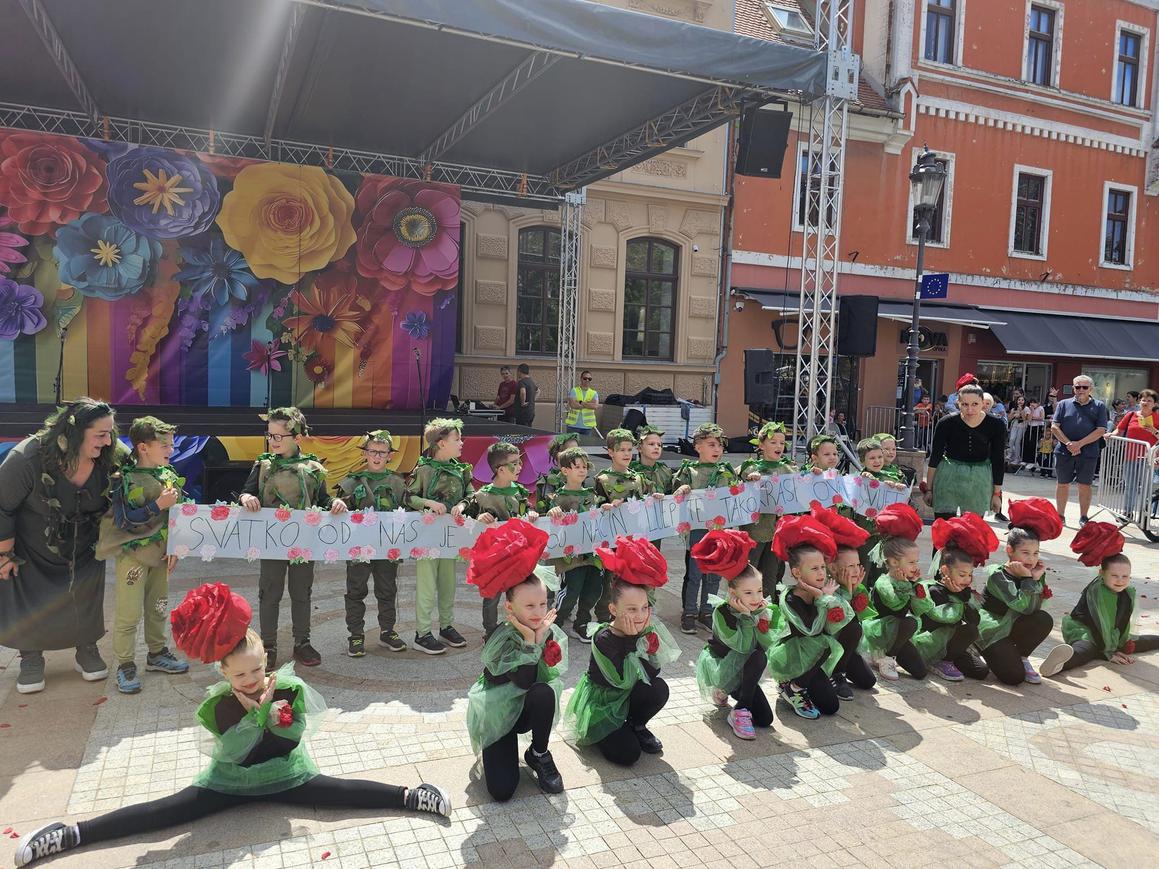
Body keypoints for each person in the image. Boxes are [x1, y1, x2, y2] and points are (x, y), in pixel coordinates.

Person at [13, 582, 450, 867]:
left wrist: (270, 708)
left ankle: (412, 796)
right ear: (223, 674)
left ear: (265, 662)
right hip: (229, 783)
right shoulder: (219, 704)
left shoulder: (287, 688)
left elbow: (281, 748)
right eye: (240, 675)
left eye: (257, 671)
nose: (251, 680)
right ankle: (71, 834)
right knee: (166, 812)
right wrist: (255, 709)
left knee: (339, 790)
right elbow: (241, 753)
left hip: (284, 776)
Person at [1, 399, 121, 695]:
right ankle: (30, 656)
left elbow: (142, 479)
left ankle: (86, 649)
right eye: (100, 435)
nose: (108, 442)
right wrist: (4, 555)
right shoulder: (27, 458)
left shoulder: (112, 456)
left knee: (85, 593)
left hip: (86, 545)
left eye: (110, 434)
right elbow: (2, 507)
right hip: (32, 545)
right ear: (77, 432)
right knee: (30, 593)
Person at [464, 519, 567, 801]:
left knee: (545, 692)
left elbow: (536, 684)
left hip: (525, 709)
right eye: (529, 606)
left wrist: (539, 638)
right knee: (501, 792)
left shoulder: (546, 629)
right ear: (510, 607)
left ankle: (539, 753)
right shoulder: (501, 637)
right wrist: (531, 640)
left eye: (543, 604)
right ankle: (500, 749)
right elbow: (521, 679)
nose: (538, 612)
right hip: (498, 715)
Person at [239, 408, 347, 670]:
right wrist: (246, 498)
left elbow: (322, 499)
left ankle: (303, 642)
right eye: (270, 435)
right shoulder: (263, 465)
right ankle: (268, 645)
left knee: (302, 592)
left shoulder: (312, 468)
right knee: (270, 592)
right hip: (272, 542)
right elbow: (245, 492)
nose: (273, 441)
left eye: (280, 436)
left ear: (297, 438)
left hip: (304, 543)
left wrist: (336, 502)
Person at [95, 416, 189, 694]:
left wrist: (176, 548)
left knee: (159, 606)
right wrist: (158, 504)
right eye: (164, 445)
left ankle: (157, 653)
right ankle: (125, 664)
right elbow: (124, 521)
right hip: (133, 558)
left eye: (171, 444)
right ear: (143, 447)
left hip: (161, 557)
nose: (170, 450)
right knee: (129, 612)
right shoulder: (123, 479)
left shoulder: (168, 475)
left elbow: (178, 518)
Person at [567, 535, 678, 765]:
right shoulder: (603, 638)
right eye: (631, 609)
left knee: (658, 688)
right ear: (613, 609)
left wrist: (641, 639)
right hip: (604, 703)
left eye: (644, 607)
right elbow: (620, 682)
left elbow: (650, 675)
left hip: (626, 698)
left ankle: (636, 725)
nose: (639, 615)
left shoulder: (643, 629)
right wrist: (630, 640)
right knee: (628, 755)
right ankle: (602, 732)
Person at [769, 515, 867, 716]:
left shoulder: (820, 591)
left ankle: (806, 683)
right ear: (797, 573)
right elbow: (811, 630)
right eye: (814, 568)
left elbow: (843, 619)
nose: (821, 573)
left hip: (813, 661)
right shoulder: (789, 598)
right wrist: (823, 599)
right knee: (822, 642)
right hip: (793, 659)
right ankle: (792, 687)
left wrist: (848, 591)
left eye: (822, 567)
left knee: (831, 707)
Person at [693, 529, 780, 738]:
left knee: (765, 720)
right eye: (748, 593)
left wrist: (761, 615)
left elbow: (768, 643)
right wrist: (748, 618)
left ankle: (740, 703)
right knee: (756, 655)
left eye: (759, 591)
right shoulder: (722, 613)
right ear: (733, 594)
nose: (756, 597)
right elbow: (743, 648)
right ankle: (738, 708)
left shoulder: (760, 609)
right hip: (724, 668)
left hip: (746, 672)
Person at [1043, 522, 1159, 677]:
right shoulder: (1098, 591)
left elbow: (1123, 622)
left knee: (1144, 642)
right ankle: (1060, 663)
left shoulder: (1128, 592)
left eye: (1125, 576)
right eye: (1114, 575)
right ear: (1101, 574)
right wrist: (1109, 653)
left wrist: (1121, 644)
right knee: (1087, 650)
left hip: (1110, 635)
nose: (1120, 580)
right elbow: (1100, 625)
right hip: (1087, 630)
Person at [976, 498, 1071, 684]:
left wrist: (1034, 578)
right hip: (992, 629)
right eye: (1025, 553)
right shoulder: (998, 575)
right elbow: (1023, 608)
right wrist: (1029, 580)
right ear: (1010, 550)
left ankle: (1022, 656)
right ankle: (980, 648)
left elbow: (1034, 610)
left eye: (1036, 553)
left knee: (1043, 619)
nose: (1031, 559)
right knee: (1014, 678)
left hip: (1012, 626)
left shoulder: (1032, 572)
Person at [454, 442, 537, 640]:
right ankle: (490, 632)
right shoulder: (482, 496)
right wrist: (475, 517)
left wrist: (533, 513)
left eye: (520, 462)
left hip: (518, 558)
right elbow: (466, 513)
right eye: (514, 464)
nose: (519, 467)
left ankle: (519, 628)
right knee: (491, 597)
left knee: (519, 593)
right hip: (494, 560)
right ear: (500, 469)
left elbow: (532, 508)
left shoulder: (520, 493)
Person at [335, 430, 408, 656]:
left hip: (387, 548)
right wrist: (337, 502)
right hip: (358, 549)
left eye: (382, 452)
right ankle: (356, 635)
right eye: (372, 452)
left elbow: (409, 510)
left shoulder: (398, 483)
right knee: (356, 590)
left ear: (389, 456)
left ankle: (387, 631)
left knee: (387, 589)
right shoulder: (352, 482)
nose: (377, 456)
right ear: (365, 454)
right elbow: (335, 503)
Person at [406, 418, 473, 655]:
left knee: (448, 583)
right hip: (426, 538)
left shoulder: (461, 469)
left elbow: (470, 495)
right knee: (426, 585)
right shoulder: (423, 469)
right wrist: (429, 503)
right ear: (441, 443)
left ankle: (446, 626)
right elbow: (409, 497)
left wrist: (463, 506)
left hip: (450, 537)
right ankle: (422, 633)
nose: (461, 443)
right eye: (457, 439)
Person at [672, 423, 740, 634]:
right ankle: (689, 612)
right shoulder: (689, 471)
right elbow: (675, 494)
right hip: (697, 531)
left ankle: (707, 611)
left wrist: (748, 481)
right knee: (695, 573)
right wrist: (681, 488)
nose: (717, 450)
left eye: (720, 445)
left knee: (714, 574)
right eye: (711, 444)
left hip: (720, 532)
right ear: (697, 447)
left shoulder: (727, 472)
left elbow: (739, 491)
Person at [916, 514, 996, 682]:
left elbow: (974, 619)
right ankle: (940, 662)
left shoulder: (964, 592)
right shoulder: (933, 590)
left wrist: (963, 596)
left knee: (982, 671)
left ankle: (950, 659)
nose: (967, 579)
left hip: (954, 646)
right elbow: (949, 620)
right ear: (945, 571)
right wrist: (959, 597)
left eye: (970, 574)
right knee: (969, 630)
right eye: (962, 574)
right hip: (932, 644)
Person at [813, 504, 877, 697]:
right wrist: (847, 594)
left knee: (868, 681)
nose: (857, 570)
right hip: (826, 646)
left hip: (844, 646)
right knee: (852, 627)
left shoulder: (856, 586)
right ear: (832, 568)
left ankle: (843, 665)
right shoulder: (824, 587)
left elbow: (862, 615)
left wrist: (854, 590)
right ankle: (836, 673)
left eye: (858, 564)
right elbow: (838, 623)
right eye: (850, 566)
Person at [862, 504, 928, 681]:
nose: (916, 566)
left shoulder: (909, 581)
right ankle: (885, 656)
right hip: (881, 631)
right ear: (893, 562)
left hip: (897, 633)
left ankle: (888, 653)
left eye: (917, 562)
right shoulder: (884, 582)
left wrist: (916, 585)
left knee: (920, 673)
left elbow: (922, 607)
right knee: (909, 622)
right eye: (911, 562)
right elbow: (895, 604)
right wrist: (905, 585)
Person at [547, 447, 607, 642]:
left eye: (584, 466)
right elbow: (548, 521)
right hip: (571, 557)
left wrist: (605, 509)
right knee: (571, 591)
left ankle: (582, 622)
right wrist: (552, 512)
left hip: (593, 554)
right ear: (564, 470)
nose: (582, 470)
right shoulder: (557, 498)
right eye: (577, 467)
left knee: (593, 590)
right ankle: (555, 622)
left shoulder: (592, 495)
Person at [925, 384, 1006, 520]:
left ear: (983, 403)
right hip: (947, 477)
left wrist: (996, 494)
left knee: (972, 528)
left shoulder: (996, 425)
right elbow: (935, 457)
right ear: (958, 404)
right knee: (943, 526)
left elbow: (998, 459)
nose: (970, 409)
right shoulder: (946, 423)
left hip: (979, 479)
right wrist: (929, 489)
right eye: (965, 404)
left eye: (975, 404)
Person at [737, 422, 797, 597]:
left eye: (782, 442)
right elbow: (735, 486)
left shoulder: (788, 469)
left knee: (772, 572)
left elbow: (802, 488)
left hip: (778, 532)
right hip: (755, 530)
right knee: (751, 568)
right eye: (773, 442)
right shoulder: (749, 468)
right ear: (761, 445)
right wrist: (751, 480)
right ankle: (746, 604)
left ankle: (769, 607)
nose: (779, 446)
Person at [1051, 374, 1109, 526]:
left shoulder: (1099, 406)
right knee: (1062, 484)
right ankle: (1060, 515)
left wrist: (1079, 444)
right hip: (1064, 451)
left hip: (1089, 452)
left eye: (1084, 387)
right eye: (1078, 387)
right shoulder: (1063, 404)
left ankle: (1084, 516)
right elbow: (1054, 427)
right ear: (1073, 388)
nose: (1081, 390)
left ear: (1091, 389)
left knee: (1084, 485)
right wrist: (1069, 444)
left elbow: (1101, 430)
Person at [1107, 388, 1157, 516]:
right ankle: (1128, 512)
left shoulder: (1157, 418)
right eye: (1143, 400)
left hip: (1149, 459)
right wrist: (1111, 435)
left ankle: (1144, 514)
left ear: (1155, 404)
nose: (1145, 403)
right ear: (1139, 401)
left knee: (1146, 488)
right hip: (1131, 456)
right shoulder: (1130, 415)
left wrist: (1154, 431)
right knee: (1130, 486)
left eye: (1149, 401)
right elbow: (1119, 429)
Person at [534, 434, 580, 513]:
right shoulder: (547, 482)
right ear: (559, 456)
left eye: (578, 451)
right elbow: (542, 510)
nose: (577, 455)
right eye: (571, 452)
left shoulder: (581, 475)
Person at [630, 424, 674, 496]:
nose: (656, 447)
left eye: (659, 445)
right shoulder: (631, 471)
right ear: (639, 448)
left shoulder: (665, 472)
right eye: (651, 444)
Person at [565, 370, 600, 435]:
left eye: (589, 379)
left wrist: (581, 402)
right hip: (573, 426)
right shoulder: (574, 390)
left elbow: (595, 406)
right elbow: (573, 405)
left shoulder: (594, 393)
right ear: (581, 379)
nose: (587, 380)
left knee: (585, 445)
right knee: (572, 445)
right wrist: (588, 404)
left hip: (587, 427)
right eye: (585, 378)